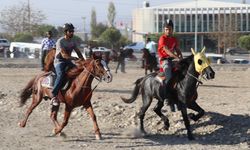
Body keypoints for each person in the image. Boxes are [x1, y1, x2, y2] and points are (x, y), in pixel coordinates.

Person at [51, 23, 84, 106]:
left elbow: (78, 52)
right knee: (61, 74)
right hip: (59, 61)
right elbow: (64, 55)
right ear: (66, 32)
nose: (72, 33)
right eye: (70, 31)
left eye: (73, 31)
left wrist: (83, 61)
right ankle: (54, 96)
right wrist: (75, 58)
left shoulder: (73, 42)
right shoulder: (60, 41)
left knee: (78, 72)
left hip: (68, 61)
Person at [158, 19, 183, 84]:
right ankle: (166, 91)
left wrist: (181, 58)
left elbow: (178, 50)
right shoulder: (162, 38)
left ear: (172, 29)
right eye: (166, 29)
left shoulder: (174, 39)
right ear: (164, 30)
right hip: (164, 60)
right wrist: (177, 57)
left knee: (183, 69)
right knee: (168, 75)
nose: (168, 31)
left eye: (170, 29)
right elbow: (167, 51)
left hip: (173, 60)